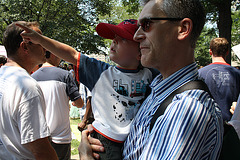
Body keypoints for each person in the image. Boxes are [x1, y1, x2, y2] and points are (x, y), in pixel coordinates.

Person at [78, 0, 224, 159]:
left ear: (183, 29)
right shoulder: (157, 87)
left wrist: (86, 157)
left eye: (147, 25)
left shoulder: (187, 107)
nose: (137, 35)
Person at [17, 18, 157, 160]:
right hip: (105, 142)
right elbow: (72, 54)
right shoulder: (101, 72)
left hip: (135, 141)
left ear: (140, 51)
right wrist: (40, 40)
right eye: (114, 38)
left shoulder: (151, 75)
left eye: (122, 39)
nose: (113, 41)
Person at [0, 21, 58, 159]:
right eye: (40, 42)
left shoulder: (3, 76)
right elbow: (41, 150)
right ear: (25, 46)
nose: (46, 48)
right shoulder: (27, 87)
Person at [32, 50, 84, 160]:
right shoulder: (65, 75)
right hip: (61, 137)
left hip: (40, 136)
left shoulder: (32, 77)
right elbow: (79, 103)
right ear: (53, 54)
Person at [198, 37, 240, 122]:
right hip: (232, 127)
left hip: (208, 126)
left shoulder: (200, 74)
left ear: (210, 52)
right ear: (227, 52)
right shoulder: (237, 74)